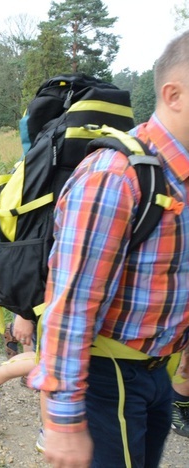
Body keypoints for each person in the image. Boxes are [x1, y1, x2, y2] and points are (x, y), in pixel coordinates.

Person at [29, 30, 189, 468]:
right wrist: (62, 423)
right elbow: (71, 304)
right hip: (108, 376)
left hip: (160, 370)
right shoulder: (114, 176)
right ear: (173, 94)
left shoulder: (182, 177)